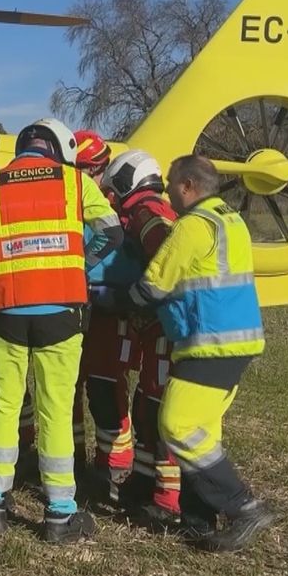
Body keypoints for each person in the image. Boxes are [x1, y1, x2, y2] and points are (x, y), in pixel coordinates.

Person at [95, 154, 276, 552]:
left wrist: (105, 297)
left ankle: (244, 507)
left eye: (171, 185)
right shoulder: (229, 219)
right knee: (202, 432)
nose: (167, 194)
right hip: (232, 340)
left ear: (188, 186)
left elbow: (154, 286)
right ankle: (198, 522)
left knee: (176, 424)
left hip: (210, 342)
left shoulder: (193, 225)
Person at [0, 118, 124, 544]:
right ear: (58, 148)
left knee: (3, 405)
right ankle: (59, 513)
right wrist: (78, 265)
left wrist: (4, 275)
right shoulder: (75, 183)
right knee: (55, 409)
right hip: (61, 313)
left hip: (4, 313)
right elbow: (112, 232)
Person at [95, 149, 181, 520]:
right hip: (155, 326)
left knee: (160, 411)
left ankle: (167, 500)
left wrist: (128, 296)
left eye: (114, 190)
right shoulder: (146, 211)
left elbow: (165, 265)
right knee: (146, 406)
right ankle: (144, 484)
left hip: (166, 325)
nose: (111, 198)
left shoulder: (149, 213)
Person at [69, 130, 135, 495]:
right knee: (104, 386)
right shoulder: (89, 193)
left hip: (95, 301)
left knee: (78, 387)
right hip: (100, 300)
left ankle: (88, 461)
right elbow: (111, 237)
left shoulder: (68, 191)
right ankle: (112, 465)